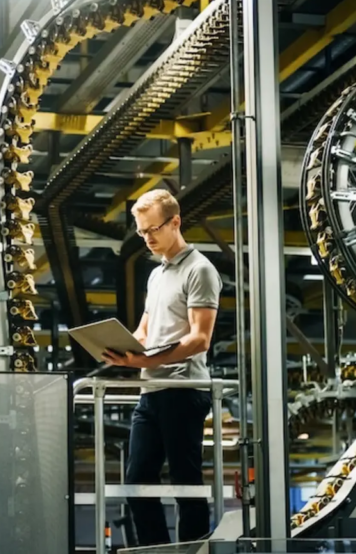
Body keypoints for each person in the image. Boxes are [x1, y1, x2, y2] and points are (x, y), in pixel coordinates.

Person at [101, 189, 223, 546]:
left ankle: (192, 552)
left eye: (153, 229)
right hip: (151, 391)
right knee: (137, 478)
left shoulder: (199, 270)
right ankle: (154, 551)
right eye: (141, 232)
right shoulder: (157, 275)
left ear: (175, 222)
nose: (148, 238)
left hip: (184, 391)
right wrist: (117, 347)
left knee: (186, 482)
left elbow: (200, 339)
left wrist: (144, 361)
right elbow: (145, 330)